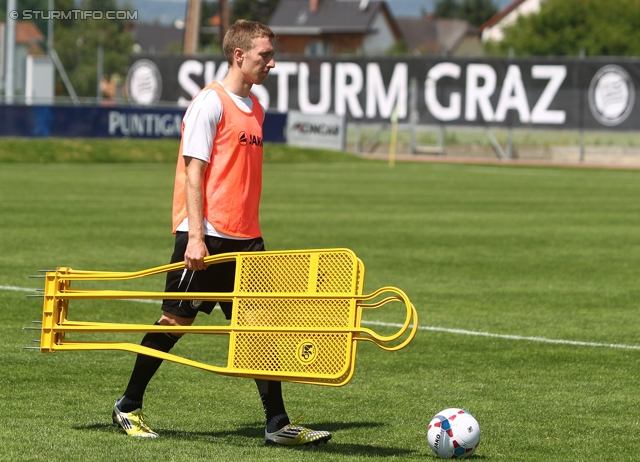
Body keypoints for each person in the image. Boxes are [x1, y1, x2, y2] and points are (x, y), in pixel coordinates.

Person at [111, 20, 331, 446]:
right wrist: (195, 236)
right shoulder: (209, 103)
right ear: (239, 55)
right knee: (175, 322)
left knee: (258, 329)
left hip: (248, 238)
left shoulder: (257, 109)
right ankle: (128, 405)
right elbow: (194, 175)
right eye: (264, 54)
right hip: (206, 235)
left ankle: (276, 424)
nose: (271, 61)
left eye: (271, 54)